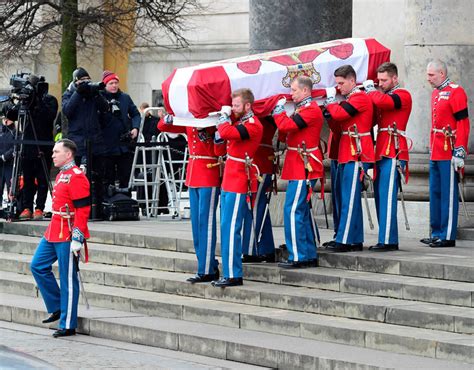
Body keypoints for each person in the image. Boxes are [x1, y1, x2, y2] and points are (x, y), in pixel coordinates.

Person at [30, 139, 90, 337]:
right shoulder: (63, 173)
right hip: (55, 228)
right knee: (37, 265)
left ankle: (67, 323)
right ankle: (56, 305)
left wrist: (78, 237)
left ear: (68, 154)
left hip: (68, 231)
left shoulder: (76, 176)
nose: (53, 155)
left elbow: (83, 209)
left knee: (67, 278)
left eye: (57, 152)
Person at [158, 111, 224, 283]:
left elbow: (219, 149)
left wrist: (214, 131)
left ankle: (207, 269)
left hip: (209, 173)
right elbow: (163, 126)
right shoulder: (189, 121)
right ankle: (205, 264)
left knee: (206, 223)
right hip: (193, 174)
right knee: (196, 225)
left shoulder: (211, 122)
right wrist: (171, 115)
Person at [212, 88, 263, 287]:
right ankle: (229, 271)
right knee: (226, 228)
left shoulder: (253, 124)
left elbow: (227, 132)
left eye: (236, 105)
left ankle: (234, 274)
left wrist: (223, 118)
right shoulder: (239, 122)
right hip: (229, 179)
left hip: (239, 181)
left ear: (248, 105)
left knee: (232, 228)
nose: (233, 109)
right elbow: (222, 142)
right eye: (232, 105)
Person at [272, 75, 324, 268]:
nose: (290, 94)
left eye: (294, 90)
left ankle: (298, 256)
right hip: (298, 164)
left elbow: (286, 126)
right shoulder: (302, 109)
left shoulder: (310, 110)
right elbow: (287, 135)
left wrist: (278, 112)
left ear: (305, 91)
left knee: (293, 211)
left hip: (304, 165)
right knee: (300, 211)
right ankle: (307, 253)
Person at [324, 65, 375, 253]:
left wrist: (330, 102)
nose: (338, 87)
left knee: (349, 197)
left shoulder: (360, 97)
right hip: (348, 151)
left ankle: (346, 239)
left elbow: (339, 114)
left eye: (341, 83)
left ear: (352, 81)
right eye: (337, 83)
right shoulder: (350, 99)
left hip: (357, 152)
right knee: (346, 196)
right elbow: (338, 125)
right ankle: (352, 238)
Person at [363, 62, 412, 251]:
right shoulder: (383, 95)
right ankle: (385, 237)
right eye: (379, 80)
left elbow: (384, 103)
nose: (380, 83)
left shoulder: (402, 95)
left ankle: (389, 240)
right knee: (380, 196)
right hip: (382, 150)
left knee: (387, 196)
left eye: (384, 80)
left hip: (394, 150)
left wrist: (369, 90)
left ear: (394, 78)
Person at [421, 60, 470, 248]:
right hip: (436, 149)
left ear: (442, 73)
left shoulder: (456, 91)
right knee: (435, 193)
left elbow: (463, 123)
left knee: (448, 194)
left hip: (449, 150)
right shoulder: (435, 93)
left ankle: (447, 235)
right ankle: (436, 232)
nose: (428, 78)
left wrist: (459, 150)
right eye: (428, 74)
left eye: (431, 75)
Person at [7, 75, 58, 220]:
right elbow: (11, 114)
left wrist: (36, 100)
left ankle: (39, 209)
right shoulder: (26, 101)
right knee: (28, 179)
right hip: (27, 145)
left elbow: (49, 116)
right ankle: (27, 208)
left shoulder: (49, 100)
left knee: (43, 179)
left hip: (44, 145)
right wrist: (18, 101)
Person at [62, 67, 109, 219]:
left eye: (87, 80)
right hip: (77, 142)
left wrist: (95, 93)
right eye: (83, 81)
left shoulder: (94, 94)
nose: (86, 83)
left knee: (99, 176)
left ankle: (98, 209)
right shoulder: (69, 94)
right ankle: (77, 208)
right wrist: (78, 92)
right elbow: (67, 111)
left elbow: (105, 108)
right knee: (77, 177)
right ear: (75, 81)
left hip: (95, 140)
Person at [242, 115, 277, 263]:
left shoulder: (261, 117)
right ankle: (266, 248)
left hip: (259, 164)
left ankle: (251, 249)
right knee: (260, 207)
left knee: (255, 206)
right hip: (255, 163)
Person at [100, 71, 141, 194]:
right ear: (105, 85)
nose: (114, 85)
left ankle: (126, 202)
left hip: (124, 145)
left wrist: (135, 128)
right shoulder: (99, 98)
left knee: (126, 176)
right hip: (106, 145)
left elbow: (135, 114)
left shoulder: (125, 97)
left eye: (116, 83)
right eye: (111, 83)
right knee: (108, 178)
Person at [0, 109, 16, 218]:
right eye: (4, 119)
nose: (5, 121)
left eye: (8, 119)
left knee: (11, 187)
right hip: (1, 164)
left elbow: (16, 146)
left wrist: (5, 156)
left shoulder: (15, 132)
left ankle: (11, 209)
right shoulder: (1, 132)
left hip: (9, 163)